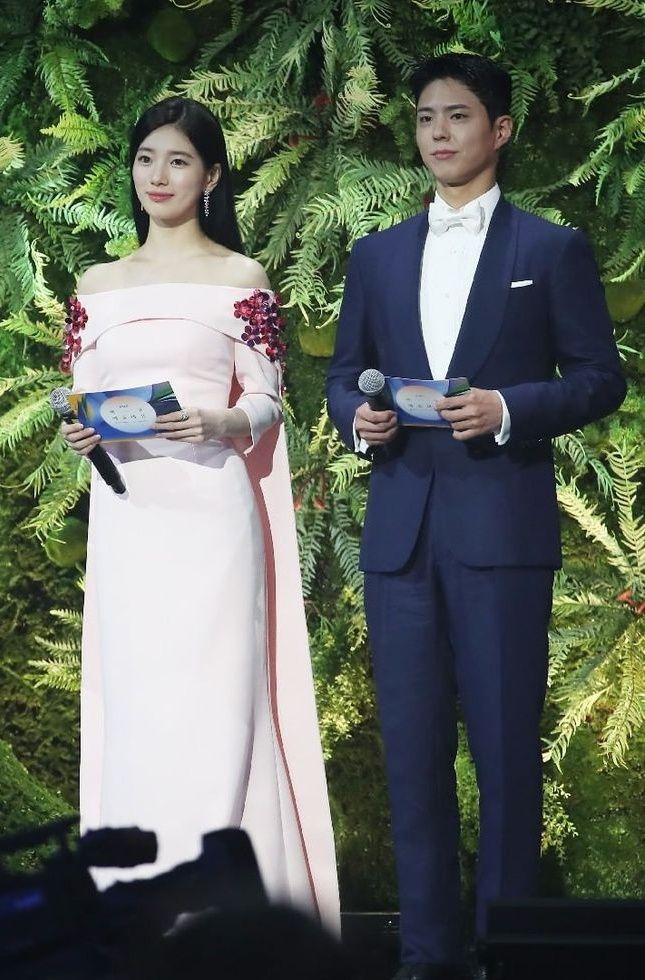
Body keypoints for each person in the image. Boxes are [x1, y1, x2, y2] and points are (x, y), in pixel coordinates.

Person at [326, 53, 626, 980]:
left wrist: (506, 409)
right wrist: (357, 421)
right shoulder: (375, 255)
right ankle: (424, 953)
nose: (438, 133)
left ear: (499, 129)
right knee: (412, 757)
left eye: (457, 116)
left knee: (503, 754)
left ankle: (507, 950)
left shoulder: (549, 249)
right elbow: (340, 377)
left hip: (501, 532)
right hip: (400, 537)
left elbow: (599, 378)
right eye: (425, 118)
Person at [60, 96, 339, 933]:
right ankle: (135, 910)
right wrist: (78, 428)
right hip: (130, 517)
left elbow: (269, 401)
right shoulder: (97, 286)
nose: (159, 176)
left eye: (178, 161)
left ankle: (230, 917)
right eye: (146, 158)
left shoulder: (239, 280)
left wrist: (220, 422)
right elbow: (79, 395)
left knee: (216, 702)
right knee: (138, 703)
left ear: (210, 176)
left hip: (212, 510)